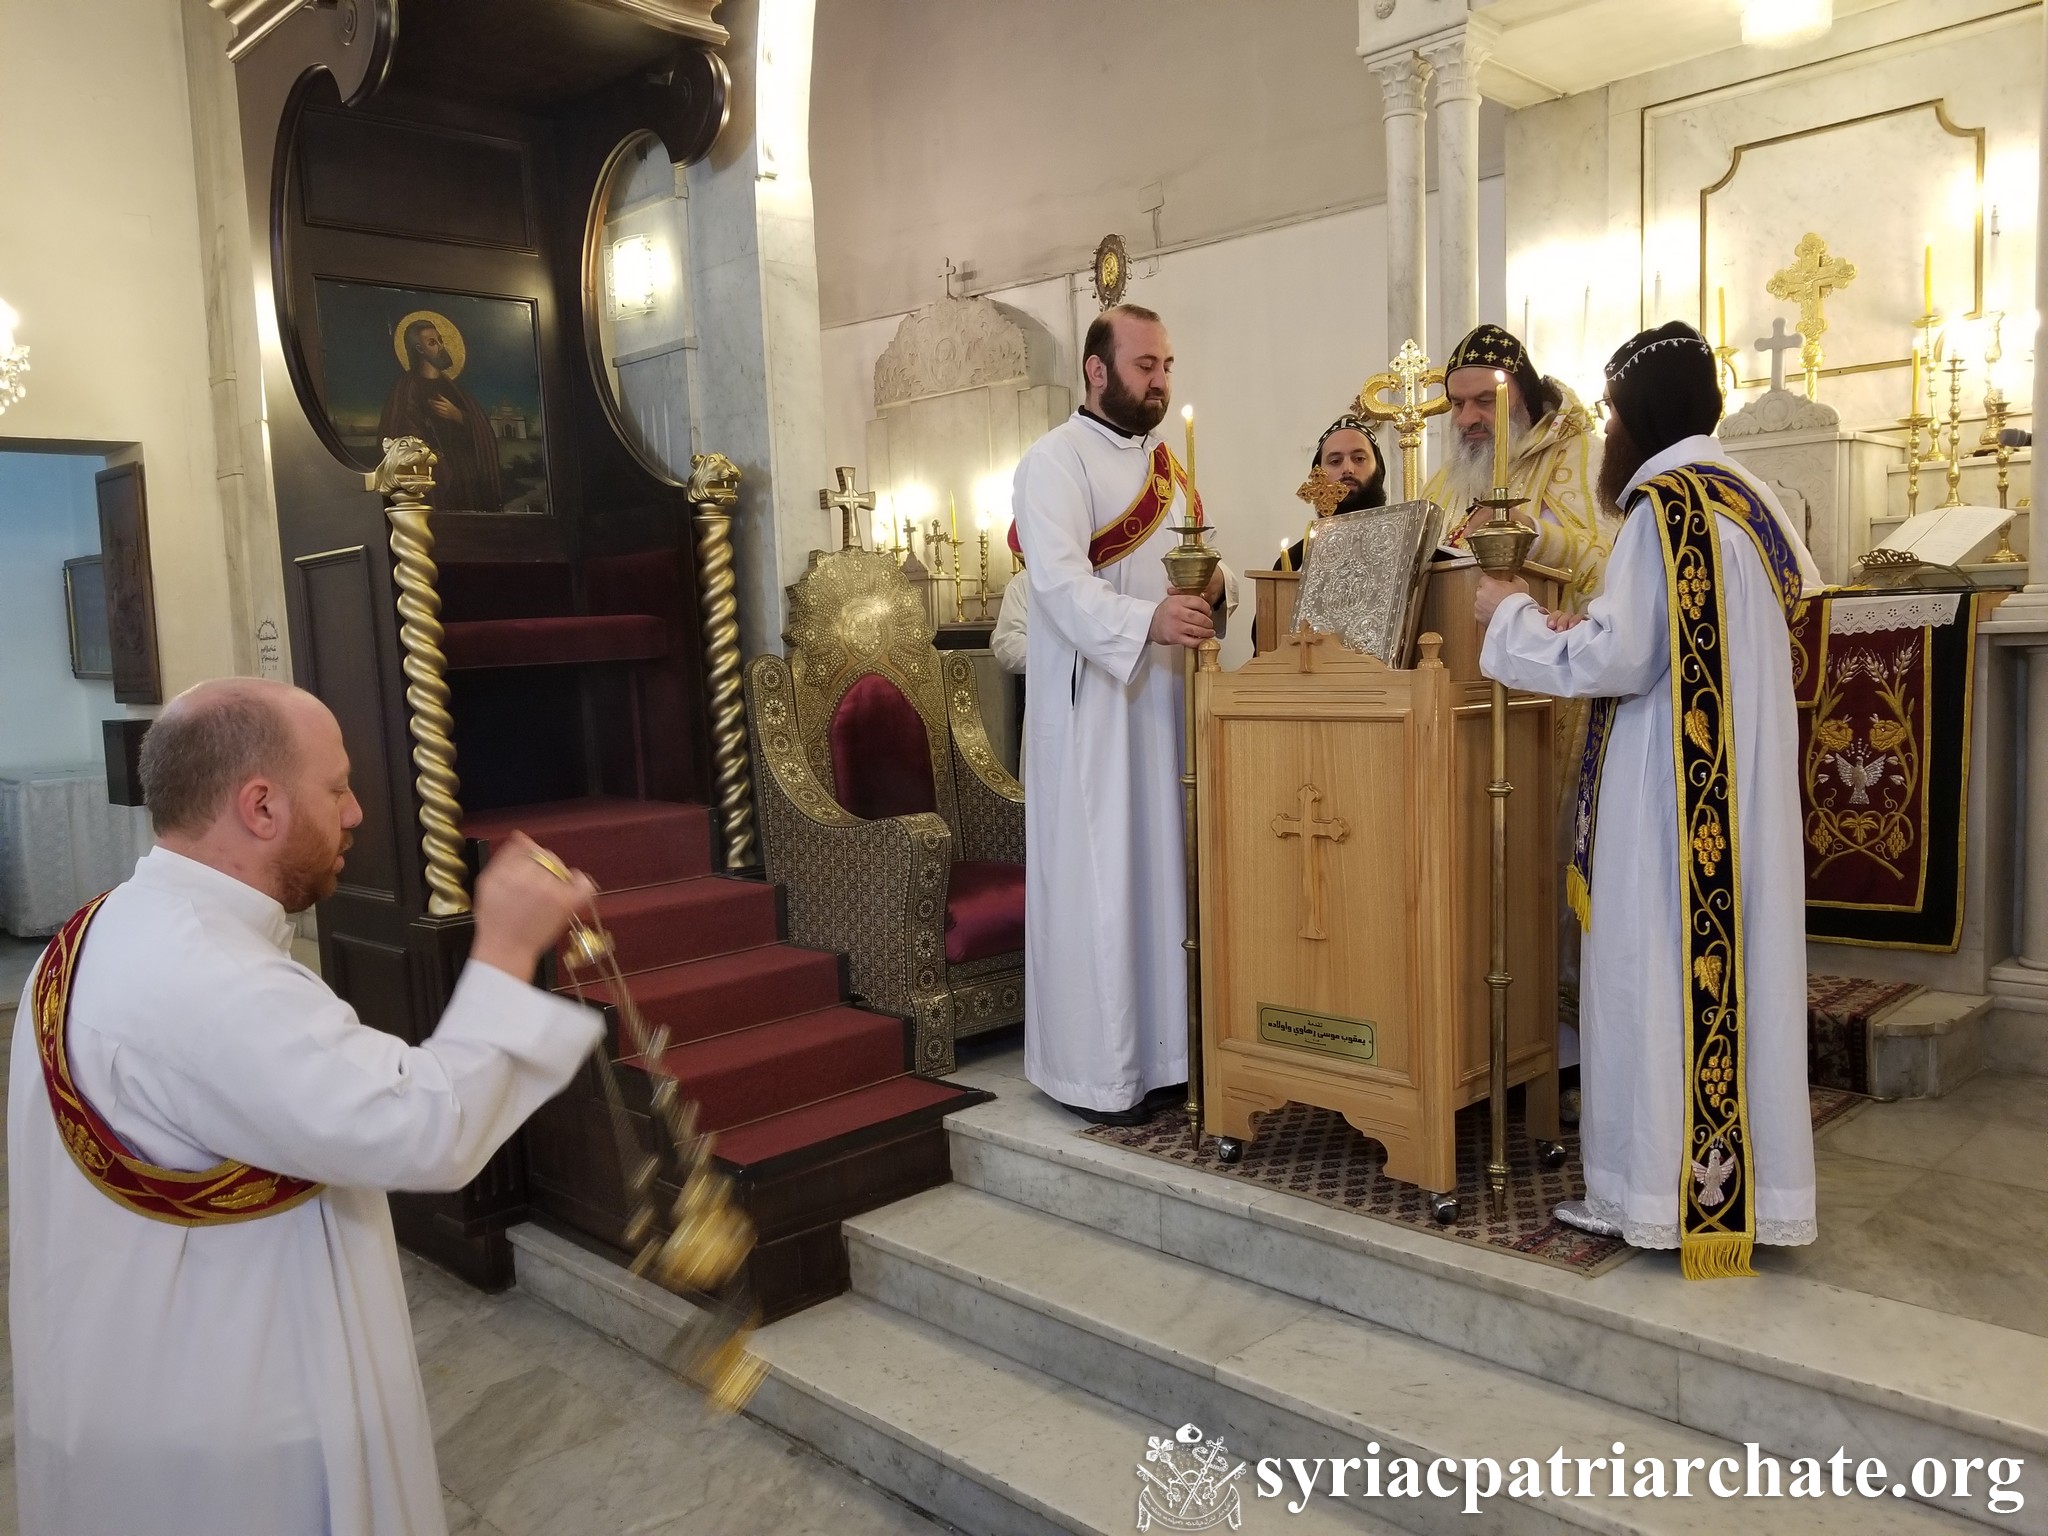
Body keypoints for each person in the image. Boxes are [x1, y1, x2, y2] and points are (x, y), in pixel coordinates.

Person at [10, 677, 603, 1534]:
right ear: (260, 806)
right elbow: (421, 1127)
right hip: (233, 1430)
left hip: (119, 1368)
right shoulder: (209, 981)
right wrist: (506, 947)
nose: (357, 812)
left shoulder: (97, 930)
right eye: (337, 788)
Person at [1473, 322, 1823, 1275]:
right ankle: (1745, 1187)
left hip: (1670, 800)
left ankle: (1650, 1194)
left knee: (1650, 974)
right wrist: (1588, 621)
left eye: (1617, 411)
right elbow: (1671, 633)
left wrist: (1505, 619)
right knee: (1731, 979)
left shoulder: (1663, 510)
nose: (1610, 432)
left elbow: (1621, 657)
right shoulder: (1752, 503)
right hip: (1736, 789)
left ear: (1643, 418)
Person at [1011, 303, 1236, 1126]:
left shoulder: (1173, 470)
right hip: (1098, 713)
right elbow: (1061, 586)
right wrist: (1148, 621)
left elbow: (1203, 572)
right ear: (1097, 370)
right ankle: (1101, 1073)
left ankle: (1174, 1055)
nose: (1162, 381)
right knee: (1107, 883)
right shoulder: (1052, 463)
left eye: (1167, 365)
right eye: (1146, 366)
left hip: (1171, 705)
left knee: (1170, 875)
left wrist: (1217, 592)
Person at [1428, 324, 1612, 614]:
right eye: (1457, 403)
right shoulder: (1444, 481)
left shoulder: (1583, 456)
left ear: (1525, 396)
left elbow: (1616, 562)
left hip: (1547, 645)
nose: (1466, 418)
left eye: (1485, 401)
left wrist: (1532, 535)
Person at [379, 316, 505, 511]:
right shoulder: (406, 389)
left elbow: (484, 430)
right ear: (420, 350)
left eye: (440, 340)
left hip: (467, 478)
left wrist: (459, 416)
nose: (440, 346)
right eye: (432, 342)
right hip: (433, 477)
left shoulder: (455, 390)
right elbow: (399, 433)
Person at [1277, 413, 1388, 572]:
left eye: (1359, 458)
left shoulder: (1412, 549)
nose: (1348, 469)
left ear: (1379, 470)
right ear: (1317, 476)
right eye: (1335, 461)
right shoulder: (1294, 562)